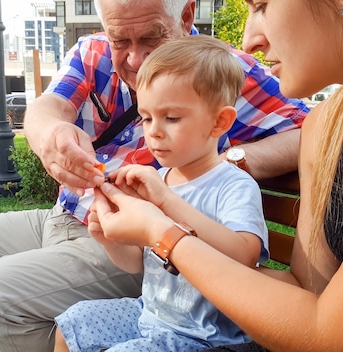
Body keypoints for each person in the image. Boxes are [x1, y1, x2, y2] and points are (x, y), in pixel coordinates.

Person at [0, 0, 308, 351]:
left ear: (186, 16)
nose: (134, 58)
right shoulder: (94, 55)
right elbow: (48, 107)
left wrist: (232, 161)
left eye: (151, 36)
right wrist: (52, 135)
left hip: (191, 313)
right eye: (120, 40)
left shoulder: (218, 70)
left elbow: (317, 129)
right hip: (95, 232)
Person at [89, 0, 343, 351]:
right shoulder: (325, 128)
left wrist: (162, 231)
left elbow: (333, 338)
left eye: (261, 5)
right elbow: (306, 291)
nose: (248, 41)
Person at [53, 35, 268, 352]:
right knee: (73, 323)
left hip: (208, 335)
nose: (153, 131)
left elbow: (244, 256)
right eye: (147, 116)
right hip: (152, 314)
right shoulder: (161, 178)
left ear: (219, 122)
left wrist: (167, 203)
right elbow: (137, 263)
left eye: (171, 118)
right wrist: (108, 236)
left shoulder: (232, 184)